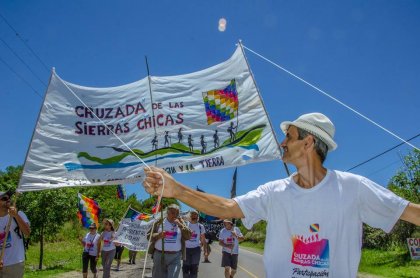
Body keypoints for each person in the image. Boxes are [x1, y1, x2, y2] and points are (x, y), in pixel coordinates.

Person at [143, 112, 420, 278]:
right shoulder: (274, 192)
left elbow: (410, 212)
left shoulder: (353, 187)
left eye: (290, 136)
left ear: (308, 142)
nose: (282, 142)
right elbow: (227, 207)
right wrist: (177, 189)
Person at [148, 204, 192, 278]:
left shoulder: (181, 222)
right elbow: (148, 236)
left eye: (177, 213)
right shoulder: (159, 222)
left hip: (175, 257)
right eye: (173, 212)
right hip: (160, 255)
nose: (175, 215)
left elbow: (188, 236)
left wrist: (180, 225)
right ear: (167, 213)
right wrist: (159, 235)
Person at [0, 190, 30, 278]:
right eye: (4, 198)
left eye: (9, 198)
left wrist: (16, 215)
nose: (8, 200)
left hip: (14, 263)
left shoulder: (19, 214)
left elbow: (27, 232)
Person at [183, 210, 206, 278]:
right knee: (186, 267)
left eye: (195, 215)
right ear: (190, 216)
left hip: (196, 249)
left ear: (197, 217)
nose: (194, 216)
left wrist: (203, 248)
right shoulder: (185, 224)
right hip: (186, 249)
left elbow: (203, 238)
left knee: (194, 267)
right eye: (192, 214)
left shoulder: (200, 226)